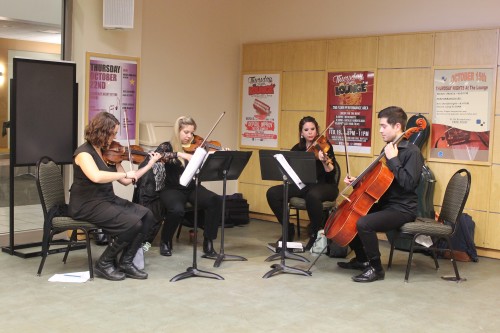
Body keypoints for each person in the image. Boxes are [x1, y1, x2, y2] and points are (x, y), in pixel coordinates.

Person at [68, 111, 162, 281]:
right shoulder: (83, 153)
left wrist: (150, 164)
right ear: (101, 132)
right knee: (133, 224)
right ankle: (104, 263)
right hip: (87, 204)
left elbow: (127, 180)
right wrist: (122, 175)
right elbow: (96, 176)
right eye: (112, 133)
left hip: (106, 200)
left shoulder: (109, 152)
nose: (114, 137)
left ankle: (126, 262)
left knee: (147, 215)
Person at [336, 106, 424, 283]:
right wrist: (358, 182)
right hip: (386, 203)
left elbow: (408, 184)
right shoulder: (389, 148)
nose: (380, 130)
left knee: (364, 223)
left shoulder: (412, 152)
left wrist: (393, 159)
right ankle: (362, 260)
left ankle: (376, 269)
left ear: (397, 126)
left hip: (403, 208)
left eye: (383, 126)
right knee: (348, 214)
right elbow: (379, 182)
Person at [266, 116, 339, 250]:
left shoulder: (324, 146)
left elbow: (331, 173)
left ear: (317, 130)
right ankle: (287, 229)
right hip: (304, 185)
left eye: (313, 129)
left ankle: (314, 234)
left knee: (312, 195)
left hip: (325, 185)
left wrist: (324, 161)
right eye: (306, 130)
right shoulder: (297, 149)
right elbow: (291, 172)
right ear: (301, 132)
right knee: (272, 193)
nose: (310, 132)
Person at [158, 116, 222, 257]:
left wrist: (218, 156)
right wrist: (181, 154)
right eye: (186, 132)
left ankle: (208, 241)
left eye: (191, 133)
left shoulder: (197, 148)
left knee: (215, 200)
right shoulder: (167, 146)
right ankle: (166, 240)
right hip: (171, 188)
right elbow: (159, 156)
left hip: (192, 187)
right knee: (177, 210)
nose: (189, 136)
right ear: (177, 131)